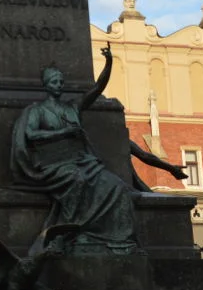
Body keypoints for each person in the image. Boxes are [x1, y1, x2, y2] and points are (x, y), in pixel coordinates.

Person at [11, 65, 138, 254]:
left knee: (117, 186)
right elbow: (30, 133)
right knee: (78, 179)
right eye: (55, 82)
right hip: (53, 163)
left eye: (61, 82)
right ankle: (65, 233)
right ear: (46, 85)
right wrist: (64, 132)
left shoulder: (72, 108)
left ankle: (111, 237)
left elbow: (97, 89)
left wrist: (109, 64)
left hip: (81, 160)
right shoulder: (38, 110)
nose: (59, 85)